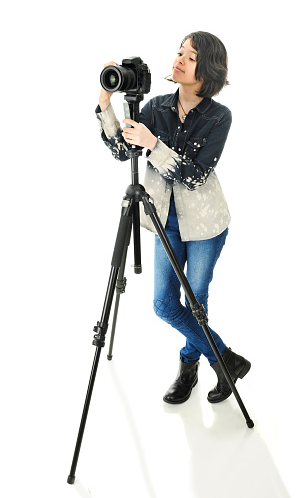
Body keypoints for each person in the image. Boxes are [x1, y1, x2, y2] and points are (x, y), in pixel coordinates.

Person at [96, 31, 251, 405]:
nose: (179, 59)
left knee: (196, 299)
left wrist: (153, 144)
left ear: (208, 69)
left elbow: (195, 176)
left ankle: (188, 365)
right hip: (164, 219)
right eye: (179, 52)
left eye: (191, 56)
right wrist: (106, 100)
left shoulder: (219, 117)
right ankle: (226, 359)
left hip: (205, 225)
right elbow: (121, 151)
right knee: (165, 304)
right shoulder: (155, 108)